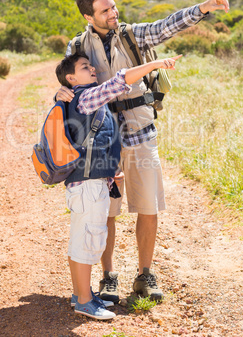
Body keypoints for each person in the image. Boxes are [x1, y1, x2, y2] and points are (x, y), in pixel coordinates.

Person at [55, 0, 230, 303]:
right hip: (103, 140)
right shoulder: (77, 45)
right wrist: (60, 94)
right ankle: (108, 277)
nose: (113, 13)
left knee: (148, 206)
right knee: (107, 210)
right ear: (88, 16)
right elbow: (71, 84)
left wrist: (203, 8)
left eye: (113, 6)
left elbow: (167, 25)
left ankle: (145, 275)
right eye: (104, 10)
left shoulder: (134, 35)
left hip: (141, 132)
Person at [55, 51, 180, 319]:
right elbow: (120, 80)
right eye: (85, 67)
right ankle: (85, 302)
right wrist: (156, 64)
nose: (93, 69)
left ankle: (81, 294)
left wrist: (111, 174)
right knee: (86, 241)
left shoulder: (79, 98)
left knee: (85, 238)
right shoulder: (87, 96)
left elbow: (96, 143)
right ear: (70, 78)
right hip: (88, 185)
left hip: (91, 181)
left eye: (91, 65)